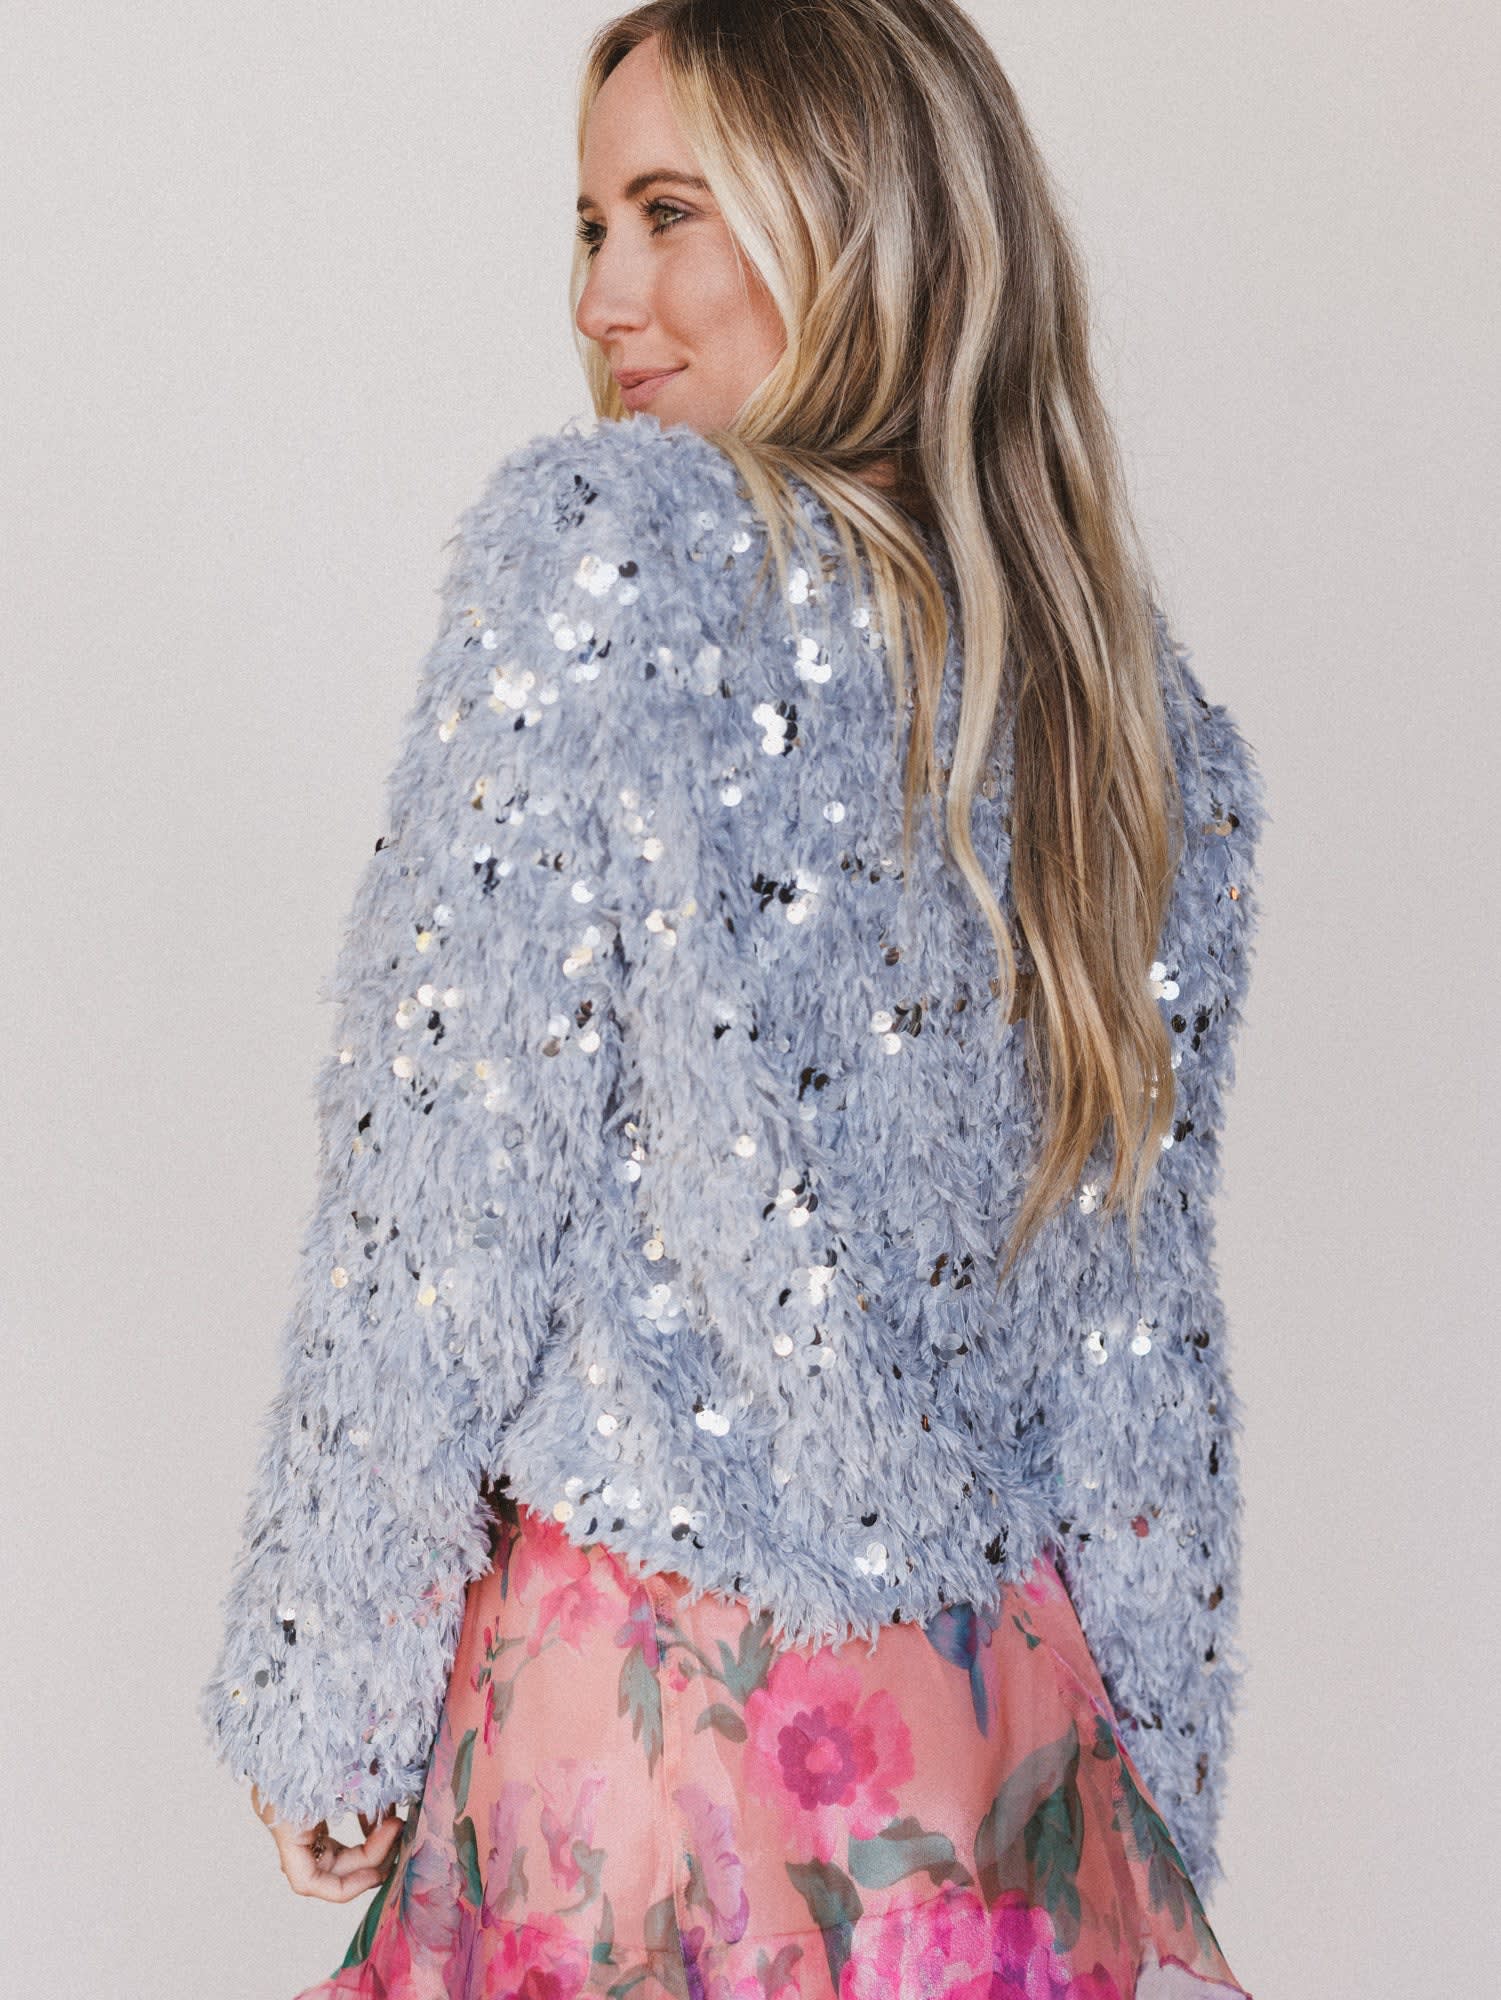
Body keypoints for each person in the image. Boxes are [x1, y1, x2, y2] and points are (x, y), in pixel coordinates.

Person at [200, 4, 1265, 1995]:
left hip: (643, 1741)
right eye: (589, 225)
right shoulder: (1126, 713)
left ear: (856, 217)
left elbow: (444, 1177)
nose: (604, 295)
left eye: (669, 212)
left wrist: (327, 1677)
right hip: (997, 1760)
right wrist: (1147, 1812)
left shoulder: (610, 558)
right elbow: (1137, 1351)